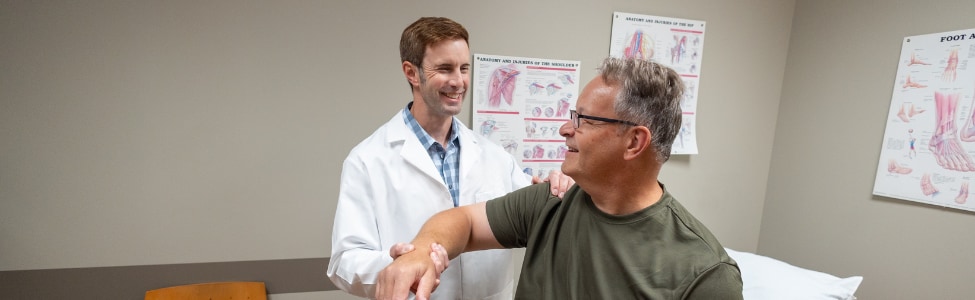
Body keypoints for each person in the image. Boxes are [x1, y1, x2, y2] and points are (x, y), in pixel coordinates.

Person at [375, 57, 744, 300]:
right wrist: (424, 252)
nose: (566, 128)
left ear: (634, 141)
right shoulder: (552, 202)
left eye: (584, 120)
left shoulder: (706, 273)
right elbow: (464, 222)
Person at [327, 17, 574, 299]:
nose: (458, 81)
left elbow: (537, 217)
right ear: (411, 72)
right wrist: (396, 263)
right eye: (444, 69)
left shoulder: (495, 157)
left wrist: (557, 186)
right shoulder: (367, 160)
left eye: (464, 68)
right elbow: (343, 262)